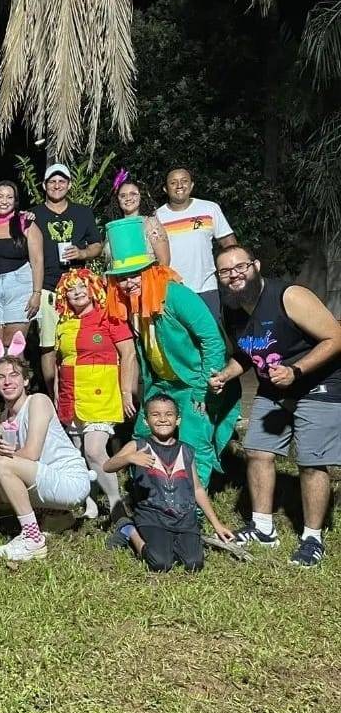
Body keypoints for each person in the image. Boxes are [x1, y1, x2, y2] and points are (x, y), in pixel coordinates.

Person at [210, 245, 341, 567]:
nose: (234, 275)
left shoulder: (289, 296)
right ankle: (263, 528)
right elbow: (246, 352)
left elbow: (335, 338)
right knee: (257, 451)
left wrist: (297, 370)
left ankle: (312, 538)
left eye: (240, 266)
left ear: (255, 265)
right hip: (274, 388)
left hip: (317, 383)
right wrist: (227, 374)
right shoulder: (232, 307)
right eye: (225, 271)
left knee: (311, 462)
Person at [104, 218, 239, 488]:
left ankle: (193, 509)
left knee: (193, 441)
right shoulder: (129, 302)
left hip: (193, 382)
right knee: (142, 433)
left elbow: (212, 340)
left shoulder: (175, 294)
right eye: (121, 277)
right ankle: (147, 496)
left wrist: (203, 388)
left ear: (150, 269)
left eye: (135, 273)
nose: (128, 282)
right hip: (161, 383)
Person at [0, 344, 92, 562]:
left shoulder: (38, 401)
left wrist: (5, 457)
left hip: (69, 480)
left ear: (26, 380)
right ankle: (57, 516)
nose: (8, 381)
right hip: (39, 477)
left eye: (14, 375)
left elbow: (30, 453)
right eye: (1, 377)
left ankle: (33, 538)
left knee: (4, 465)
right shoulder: (0, 420)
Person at [104, 394, 235, 571]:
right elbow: (107, 466)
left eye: (169, 414)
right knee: (160, 563)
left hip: (184, 518)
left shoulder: (187, 450)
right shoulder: (138, 446)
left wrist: (216, 524)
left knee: (194, 564)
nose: (163, 419)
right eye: (156, 415)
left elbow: (197, 489)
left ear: (178, 420)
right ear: (146, 420)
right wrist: (129, 457)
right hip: (152, 517)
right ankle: (128, 529)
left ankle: (174, 541)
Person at [53, 268, 137, 518]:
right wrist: (58, 392)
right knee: (78, 454)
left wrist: (126, 392)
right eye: (70, 289)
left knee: (94, 450)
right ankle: (88, 502)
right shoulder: (64, 323)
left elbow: (129, 354)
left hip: (101, 394)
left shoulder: (109, 316)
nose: (77, 292)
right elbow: (60, 361)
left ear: (92, 289)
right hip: (72, 395)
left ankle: (116, 504)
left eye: (82, 287)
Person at [31, 163, 103, 394]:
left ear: (69, 185)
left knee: (78, 340)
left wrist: (82, 253)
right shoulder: (34, 214)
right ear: (44, 185)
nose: (57, 185)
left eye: (62, 181)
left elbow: (97, 246)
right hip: (47, 287)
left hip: (77, 287)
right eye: (52, 181)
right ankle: (53, 396)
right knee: (48, 345)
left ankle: (78, 390)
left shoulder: (82, 212)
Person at [154, 167, 237, 321]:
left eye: (184, 181)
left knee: (212, 337)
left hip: (206, 287)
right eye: (173, 182)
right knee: (182, 340)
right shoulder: (156, 217)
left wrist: (234, 272)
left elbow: (228, 242)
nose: (179, 185)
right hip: (173, 289)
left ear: (192, 185)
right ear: (165, 188)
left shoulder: (209, 208)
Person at [0, 180, 44, 349]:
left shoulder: (26, 224)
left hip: (20, 292)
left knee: (14, 349)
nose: (4, 201)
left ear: (15, 201)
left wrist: (37, 293)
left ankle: (17, 375)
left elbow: (38, 261)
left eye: (9, 197)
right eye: (0, 196)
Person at [106, 173, 169, 266]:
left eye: (133, 194)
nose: (128, 198)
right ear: (117, 200)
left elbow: (164, 262)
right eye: (123, 195)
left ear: (141, 196)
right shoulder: (113, 228)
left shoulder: (151, 224)